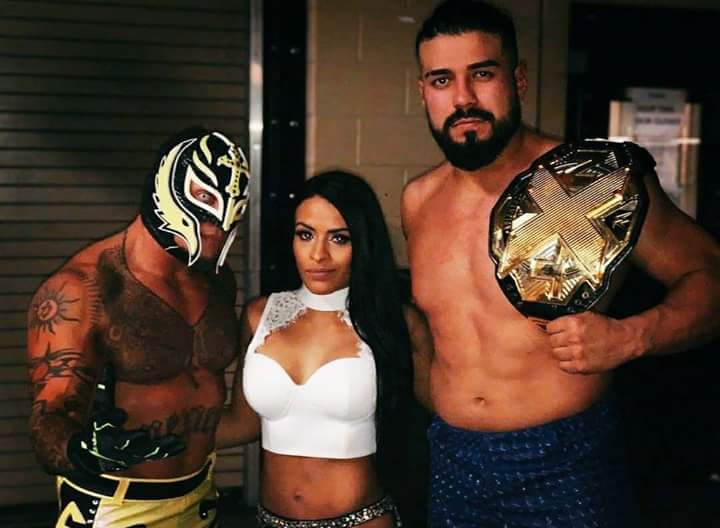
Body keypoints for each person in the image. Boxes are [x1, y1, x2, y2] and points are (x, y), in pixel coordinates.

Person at [402, 1, 720, 526]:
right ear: (423, 91)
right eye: (442, 80)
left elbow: (710, 276)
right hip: (453, 463)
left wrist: (630, 336)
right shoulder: (417, 200)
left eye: (483, 73)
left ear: (519, 80)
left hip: (565, 464)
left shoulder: (593, 182)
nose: (462, 98)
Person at [26, 128, 251, 527]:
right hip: (116, 505)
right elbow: (47, 420)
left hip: (202, 495)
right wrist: (83, 450)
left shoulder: (216, 280)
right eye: (207, 216)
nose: (215, 233)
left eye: (227, 221)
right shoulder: (82, 289)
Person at [216, 170, 433, 528]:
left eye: (339, 238)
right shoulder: (259, 315)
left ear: (363, 243)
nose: (318, 254)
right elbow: (242, 424)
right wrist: (158, 436)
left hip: (360, 521)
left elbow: (448, 413)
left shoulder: (397, 322)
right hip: (271, 522)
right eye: (305, 234)